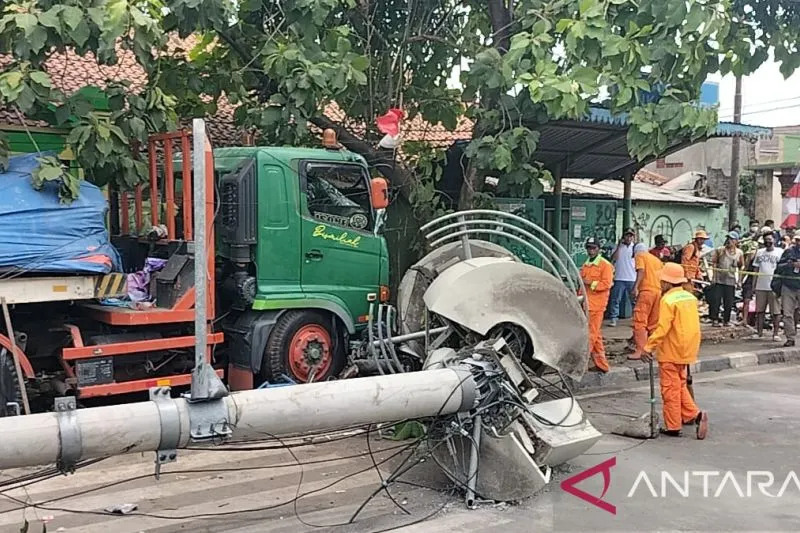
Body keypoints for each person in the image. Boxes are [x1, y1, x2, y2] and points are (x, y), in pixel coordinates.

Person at [642, 263, 709, 440]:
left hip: (671, 350)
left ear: (667, 282)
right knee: (679, 385)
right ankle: (695, 414)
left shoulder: (668, 300)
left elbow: (663, 328)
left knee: (670, 390)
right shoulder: (689, 298)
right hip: (687, 350)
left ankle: (673, 426)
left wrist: (648, 346)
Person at [580, 237, 614, 372]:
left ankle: (580, 363)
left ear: (598, 249)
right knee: (596, 335)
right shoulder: (586, 264)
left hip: (597, 305)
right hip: (587, 304)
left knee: (591, 335)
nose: (591, 250)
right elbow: (581, 284)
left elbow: (607, 284)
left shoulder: (605, 265)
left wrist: (591, 283)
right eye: (589, 248)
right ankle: (602, 365)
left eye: (593, 248)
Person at [629, 243, 663, 360]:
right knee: (653, 323)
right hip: (658, 292)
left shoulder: (640, 255)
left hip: (646, 291)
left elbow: (641, 271)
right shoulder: (656, 260)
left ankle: (641, 351)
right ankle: (652, 350)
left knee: (639, 321)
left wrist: (635, 287)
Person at [708, 231, 744, 327]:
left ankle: (726, 320)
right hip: (719, 279)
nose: (729, 241)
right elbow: (714, 263)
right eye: (728, 238)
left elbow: (741, 267)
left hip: (730, 280)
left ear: (736, 241)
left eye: (732, 239)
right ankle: (715, 319)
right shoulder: (720, 250)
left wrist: (739, 280)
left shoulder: (739, 253)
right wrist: (713, 277)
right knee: (716, 300)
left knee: (728, 302)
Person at [752, 232, 783, 340]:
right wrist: (753, 285)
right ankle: (759, 332)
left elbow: (782, 269)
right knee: (760, 311)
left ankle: (775, 334)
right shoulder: (759, 252)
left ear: (774, 240)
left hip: (774, 287)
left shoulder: (780, 252)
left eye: (769, 239)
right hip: (761, 286)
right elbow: (755, 269)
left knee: (775, 312)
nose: (768, 241)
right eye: (766, 239)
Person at [608, 228, 637, 327]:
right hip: (619, 277)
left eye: (630, 236)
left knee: (634, 300)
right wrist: (619, 246)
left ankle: (636, 319)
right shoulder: (618, 247)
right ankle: (613, 318)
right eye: (627, 236)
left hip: (632, 277)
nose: (628, 238)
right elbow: (614, 258)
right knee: (616, 299)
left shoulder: (635, 248)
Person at [777, 234, 800, 347]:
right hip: (789, 286)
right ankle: (790, 337)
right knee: (787, 314)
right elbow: (779, 266)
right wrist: (791, 264)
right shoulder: (789, 252)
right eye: (798, 240)